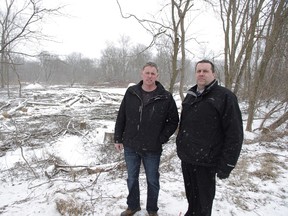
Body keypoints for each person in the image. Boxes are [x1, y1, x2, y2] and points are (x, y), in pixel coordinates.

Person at [176, 59, 243, 216]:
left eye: (205, 71)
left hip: (207, 160)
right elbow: (185, 124)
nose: (201, 74)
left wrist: (228, 163)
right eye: (198, 71)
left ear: (213, 73)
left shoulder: (225, 97)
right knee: (192, 198)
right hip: (187, 158)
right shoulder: (191, 95)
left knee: (204, 202)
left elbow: (235, 134)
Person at [114, 62, 179, 216]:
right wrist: (118, 138)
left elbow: (173, 121)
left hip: (152, 147)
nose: (149, 76)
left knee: (152, 180)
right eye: (147, 73)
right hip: (131, 145)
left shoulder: (165, 96)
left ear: (157, 75)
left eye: (153, 73)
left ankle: (152, 209)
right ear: (141, 73)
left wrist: (161, 138)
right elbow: (121, 115)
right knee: (132, 178)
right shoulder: (131, 92)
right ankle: (133, 206)